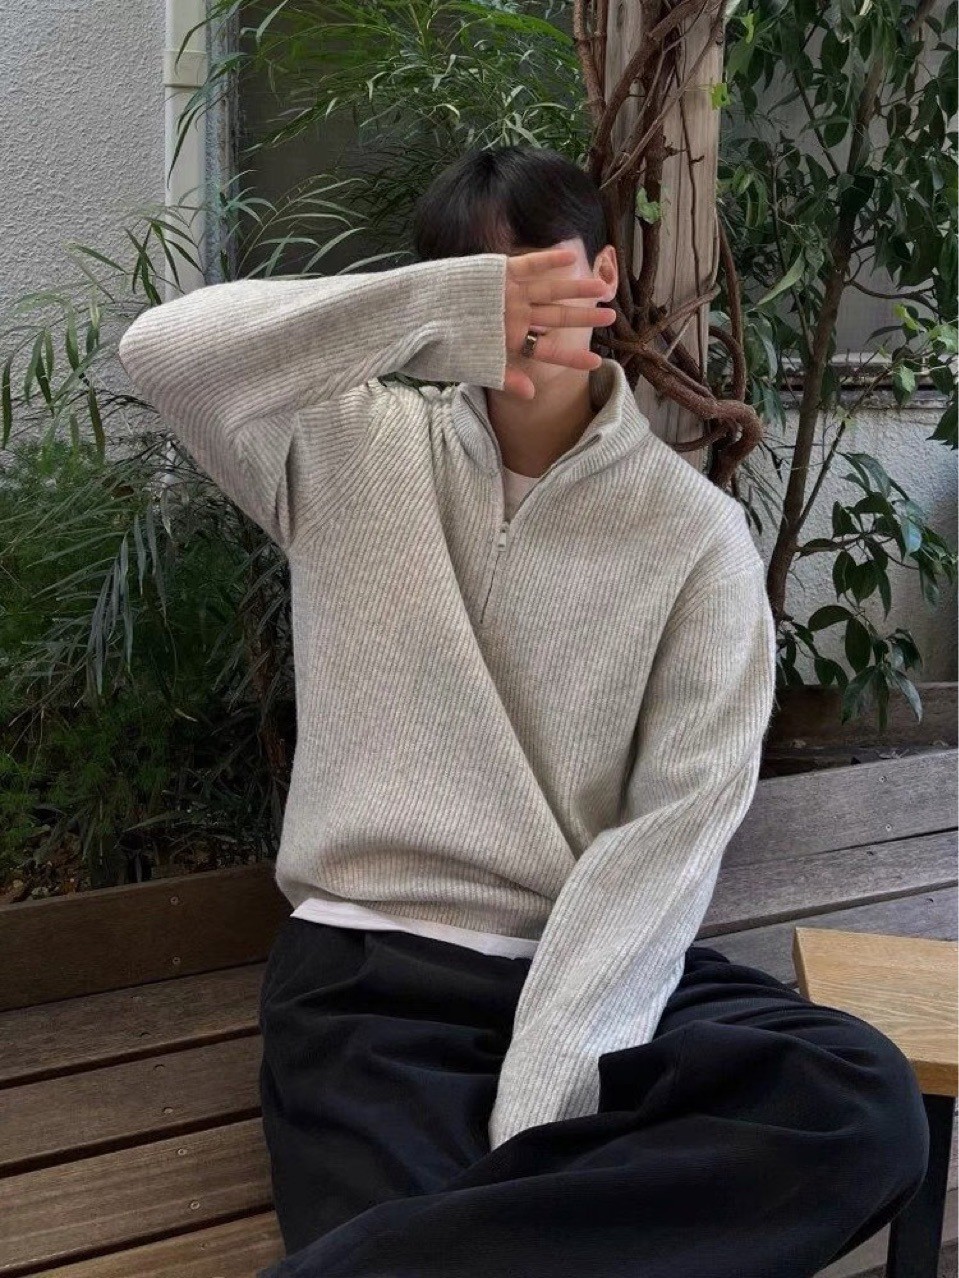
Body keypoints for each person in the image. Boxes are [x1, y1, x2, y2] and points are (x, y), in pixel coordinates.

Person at [117, 144, 930, 1278]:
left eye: (538, 277)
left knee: (856, 1101)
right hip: (369, 979)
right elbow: (162, 352)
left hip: (595, 963)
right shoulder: (343, 449)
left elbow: (674, 830)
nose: (518, 317)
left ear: (603, 277)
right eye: (484, 288)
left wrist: (547, 1092)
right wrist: (438, 312)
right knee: (437, 1227)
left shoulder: (692, 536)